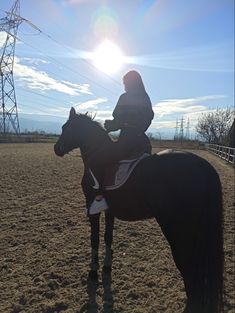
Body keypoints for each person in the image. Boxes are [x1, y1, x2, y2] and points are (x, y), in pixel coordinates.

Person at [88, 70, 154, 214]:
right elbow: (147, 119)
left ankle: (99, 199)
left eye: (125, 83)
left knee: (94, 161)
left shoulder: (125, 97)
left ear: (129, 82)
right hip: (143, 143)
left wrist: (110, 125)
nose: (124, 86)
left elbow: (118, 121)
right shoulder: (145, 97)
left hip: (127, 142)